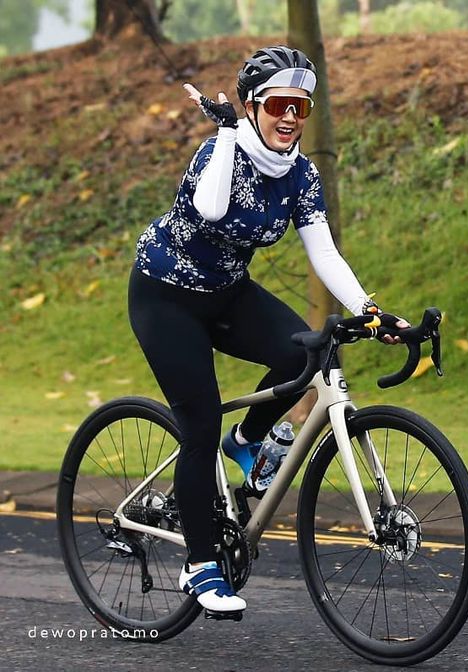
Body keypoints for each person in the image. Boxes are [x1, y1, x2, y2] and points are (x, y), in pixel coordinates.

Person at [128, 45, 406, 618]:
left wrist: (372, 310)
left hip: (227, 292)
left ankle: (247, 442)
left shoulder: (301, 174)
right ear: (254, 107)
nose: (290, 118)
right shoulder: (219, 152)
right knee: (199, 420)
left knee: (306, 349)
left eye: (300, 108)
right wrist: (229, 132)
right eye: (278, 104)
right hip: (166, 297)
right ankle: (198, 564)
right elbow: (208, 209)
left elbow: (324, 251)